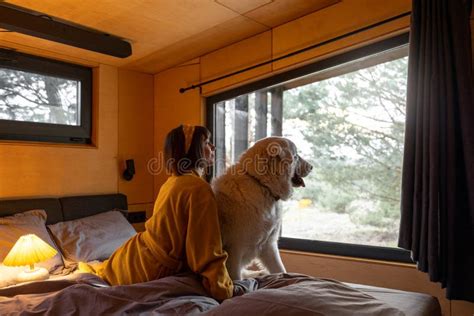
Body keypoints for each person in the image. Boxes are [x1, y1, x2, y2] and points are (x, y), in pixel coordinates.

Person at [88, 124, 234, 301]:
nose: (213, 147)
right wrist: (223, 290)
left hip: (134, 257)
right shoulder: (198, 188)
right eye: (206, 142)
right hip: (149, 267)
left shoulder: (173, 182)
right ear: (192, 150)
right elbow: (206, 252)